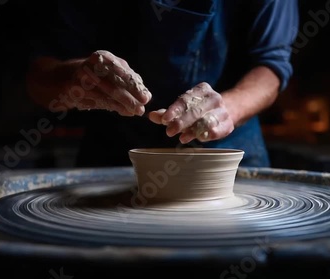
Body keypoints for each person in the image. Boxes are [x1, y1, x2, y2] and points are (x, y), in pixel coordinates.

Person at [25, 0, 299, 167]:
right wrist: (76, 79)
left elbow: (272, 64)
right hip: (116, 153)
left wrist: (229, 108)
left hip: (225, 151)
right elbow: (38, 78)